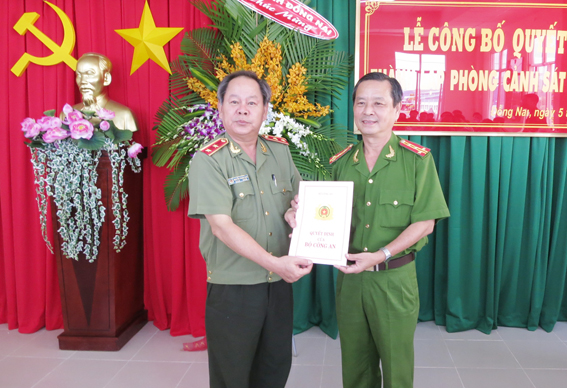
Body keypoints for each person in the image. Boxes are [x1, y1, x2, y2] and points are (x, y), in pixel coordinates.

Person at [188, 70, 313, 388]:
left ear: (265, 111)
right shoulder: (209, 161)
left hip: (278, 286)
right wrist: (276, 264)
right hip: (235, 289)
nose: (242, 109)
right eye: (234, 102)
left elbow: (301, 202)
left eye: (252, 102)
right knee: (232, 376)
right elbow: (221, 227)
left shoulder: (280, 152)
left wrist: (296, 213)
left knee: (274, 370)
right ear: (220, 109)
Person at [331, 72, 450, 388]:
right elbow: (326, 217)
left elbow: (426, 222)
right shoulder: (340, 163)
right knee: (355, 369)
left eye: (378, 103)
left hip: (394, 281)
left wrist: (381, 254)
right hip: (351, 281)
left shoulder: (417, 161)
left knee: (397, 370)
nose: (368, 111)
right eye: (361, 103)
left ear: (397, 109)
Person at [73, 53, 138, 131]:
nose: (82, 81)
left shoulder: (124, 115)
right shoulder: (68, 113)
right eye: (79, 75)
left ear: (106, 78)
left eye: (90, 73)